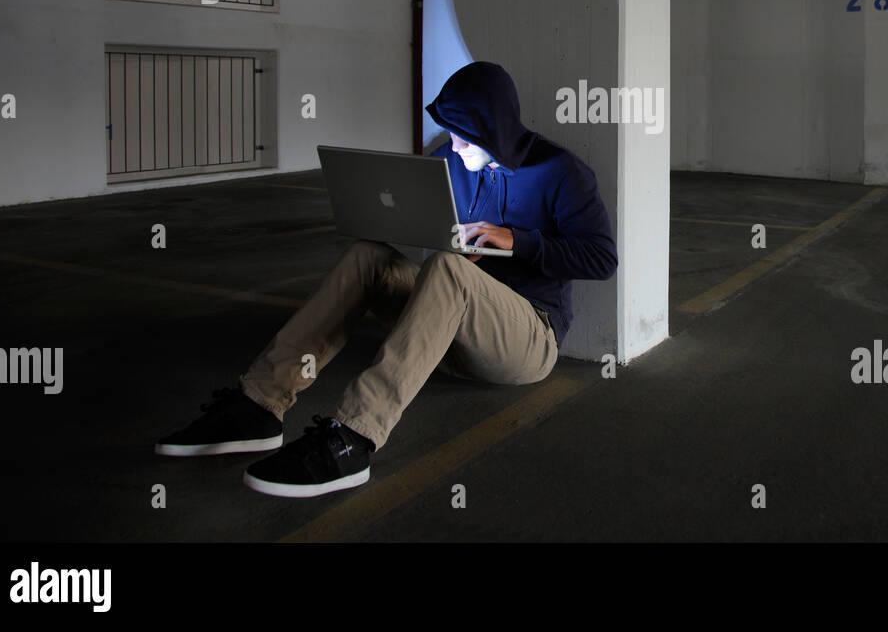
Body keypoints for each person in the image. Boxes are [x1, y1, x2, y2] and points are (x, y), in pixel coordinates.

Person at [155, 61, 618, 497]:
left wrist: (517, 240)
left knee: (448, 268)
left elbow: (602, 259)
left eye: (466, 138)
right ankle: (259, 404)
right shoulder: (449, 160)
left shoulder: (561, 172)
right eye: (452, 135)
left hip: (528, 340)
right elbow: (425, 217)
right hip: (445, 331)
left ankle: (354, 438)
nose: (455, 147)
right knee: (370, 255)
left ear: (495, 129)